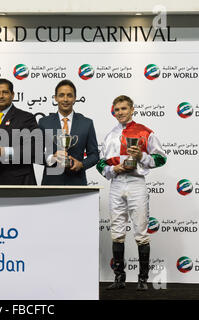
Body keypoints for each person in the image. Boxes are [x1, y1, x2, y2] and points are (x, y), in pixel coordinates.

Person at [96, 95, 167, 291]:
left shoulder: (145, 132)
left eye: (124, 108)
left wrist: (142, 156)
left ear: (132, 109)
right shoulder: (110, 135)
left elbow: (161, 158)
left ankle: (143, 279)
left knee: (141, 231)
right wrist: (112, 170)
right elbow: (101, 163)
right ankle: (119, 278)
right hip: (117, 183)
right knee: (117, 231)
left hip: (136, 183)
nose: (120, 112)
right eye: (117, 109)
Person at [38, 79, 99, 185]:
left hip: (77, 182)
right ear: (55, 98)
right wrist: (52, 158)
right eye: (61, 95)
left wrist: (82, 164)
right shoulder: (44, 122)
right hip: (51, 183)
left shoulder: (87, 123)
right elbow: (35, 154)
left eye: (69, 95)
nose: (65, 99)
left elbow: (94, 155)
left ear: (75, 98)